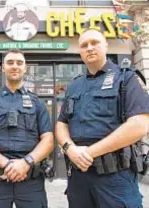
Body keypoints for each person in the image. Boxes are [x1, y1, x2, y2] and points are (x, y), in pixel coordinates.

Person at [56, 29, 149, 208]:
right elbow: (62, 123)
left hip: (115, 179)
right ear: (80, 51)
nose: (89, 48)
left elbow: (140, 124)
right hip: (78, 178)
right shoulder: (74, 85)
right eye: (84, 45)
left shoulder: (126, 77)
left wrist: (89, 153)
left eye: (94, 42)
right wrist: (69, 148)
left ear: (105, 45)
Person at [0, 49, 54, 208]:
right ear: (3, 67)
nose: (14, 66)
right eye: (10, 63)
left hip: (31, 181)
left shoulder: (37, 103)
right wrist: (5, 164)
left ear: (25, 68)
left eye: (19, 63)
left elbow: (48, 141)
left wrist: (25, 163)